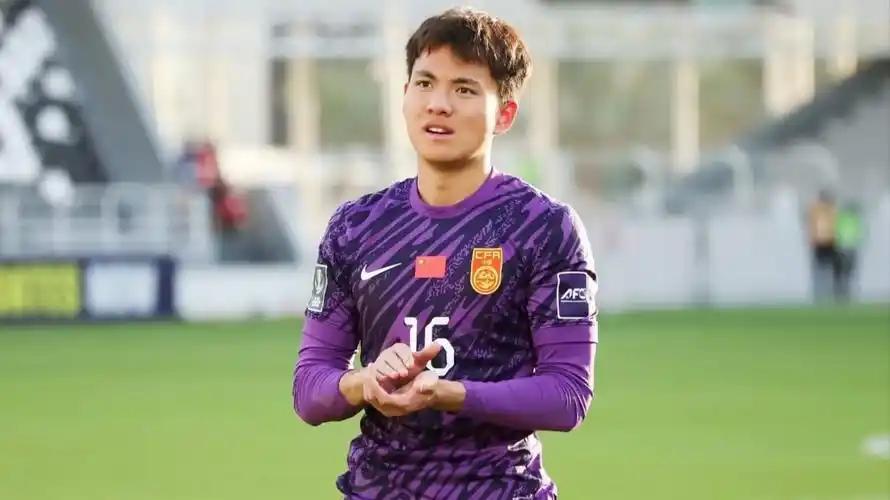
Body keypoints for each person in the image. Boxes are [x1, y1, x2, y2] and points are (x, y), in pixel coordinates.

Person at [292, 8, 598, 498]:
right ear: (405, 95)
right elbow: (309, 388)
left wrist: (450, 394)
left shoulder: (544, 228)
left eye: (464, 89)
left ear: (505, 114)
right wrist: (365, 382)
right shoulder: (356, 226)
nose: (438, 104)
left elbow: (567, 395)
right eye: (425, 83)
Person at [808, 189, 838, 301]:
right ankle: (820, 292)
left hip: (828, 242)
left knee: (826, 268)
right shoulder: (818, 210)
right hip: (821, 242)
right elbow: (812, 226)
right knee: (821, 268)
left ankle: (827, 291)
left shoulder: (829, 209)